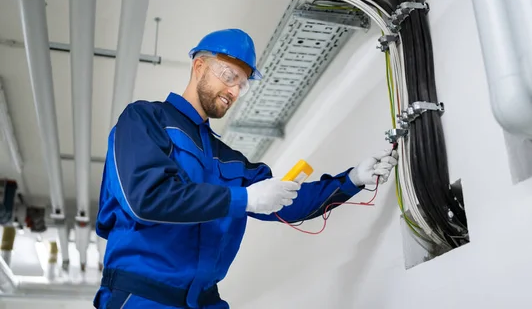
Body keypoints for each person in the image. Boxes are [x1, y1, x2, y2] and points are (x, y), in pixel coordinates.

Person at [93, 29, 398, 309]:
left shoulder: (230, 159)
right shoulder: (145, 120)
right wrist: (245, 199)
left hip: (204, 301)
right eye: (229, 76)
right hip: (142, 298)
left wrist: (354, 178)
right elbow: (146, 198)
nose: (235, 91)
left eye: (242, 84)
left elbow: (290, 203)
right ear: (199, 66)